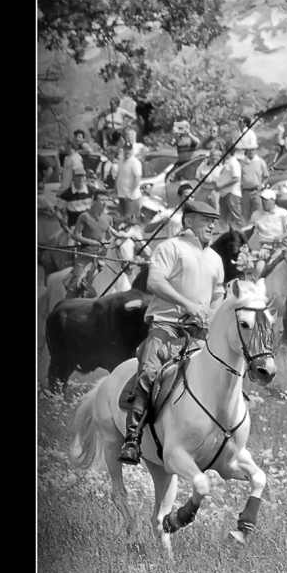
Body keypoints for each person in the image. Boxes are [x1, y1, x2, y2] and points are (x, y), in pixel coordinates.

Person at [117, 199, 226, 466]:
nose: (212, 224)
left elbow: (219, 295)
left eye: (214, 220)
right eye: (205, 219)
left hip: (198, 333)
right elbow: (155, 281)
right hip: (166, 325)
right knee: (150, 373)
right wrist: (187, 304)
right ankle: (132, 439)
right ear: (188, 221)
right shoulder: (170, 247)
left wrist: (211, 314)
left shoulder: (215, 258)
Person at [67, 186, 115, 296]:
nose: (105, 203)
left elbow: (110, 237)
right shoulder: (85, 216)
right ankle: (67, 303)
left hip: (101, 256)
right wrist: (90, 241)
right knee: (76, 279)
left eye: (107, 200)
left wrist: (106, 241)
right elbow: (75, 235)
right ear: (94, 201)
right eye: (102, 200)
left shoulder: (108, 218)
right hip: (85, 255)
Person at [248, 190, 287, 279]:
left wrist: (281, 236)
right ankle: (258, 287)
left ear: (273, 200)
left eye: (266, 200)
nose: (263, 202)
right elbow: (250, 231)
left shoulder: (283, 213)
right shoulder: (256, 214)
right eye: (262, 199)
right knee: (259, 268)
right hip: (264, 248)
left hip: (281, 247)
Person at [143, 182, 194, 251]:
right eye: (186, 197)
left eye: (192, 197)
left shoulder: (197, 215)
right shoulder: (169, 213)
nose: (189, 199)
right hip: (174, 250)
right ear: (179, 197)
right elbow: (147, 229)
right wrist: (161, 222)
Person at [115, 140, 145, 224]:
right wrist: (115, 189)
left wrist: (130, 192)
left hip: (131, 196)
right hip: (121, 194)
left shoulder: (135, 162)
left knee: (131, 220)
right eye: (125, 149)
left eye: (129, 149)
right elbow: (118, 176)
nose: (127, 151)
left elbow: (137, 178)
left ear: (132, 150)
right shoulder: (120, 161)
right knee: (122, 218)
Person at [214, 147, 244, 231]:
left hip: (232, 193)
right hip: (224, 193)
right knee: (223, 216)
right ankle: (223, 233)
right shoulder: (227, 162)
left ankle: (242, 232)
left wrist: (221, 186)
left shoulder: (233, 163)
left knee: (236, 216)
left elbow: (236, 178)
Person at [239, 149, 270, 223]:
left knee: (259, 211)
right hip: (245, 191)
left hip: (256, 191)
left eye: (253, 150)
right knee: (245, 212)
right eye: (250, 150)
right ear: (246, 152)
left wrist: (262, 185)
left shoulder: (260, 162)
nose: (251, 152)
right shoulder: (242, 163)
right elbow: (240, 177)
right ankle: (246, 228)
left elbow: (266, 176)